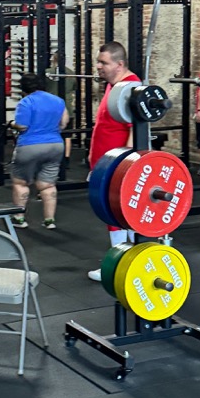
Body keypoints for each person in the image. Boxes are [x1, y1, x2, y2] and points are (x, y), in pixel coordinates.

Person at [87, 42, 141, 281]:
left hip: (117, 165)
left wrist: (126, 166)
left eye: (104, 63)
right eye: (98, 62)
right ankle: (124, 264)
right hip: (105, 163)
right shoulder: (114, 85)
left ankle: (121, 266)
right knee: (113, 214)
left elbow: (135, 130)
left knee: (117, 213)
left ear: (119, 64)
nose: (99, 66)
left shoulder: (131, 87)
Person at [10, 73, 68, 230]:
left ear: (23, 88)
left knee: (20, 182)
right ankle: (49, 220)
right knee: (48, 185)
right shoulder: (58, 100)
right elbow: (64, 123)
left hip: (30, 146)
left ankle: (19, 219)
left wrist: (12, 123)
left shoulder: (26, 102)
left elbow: (22, 126)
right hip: (55, 145)